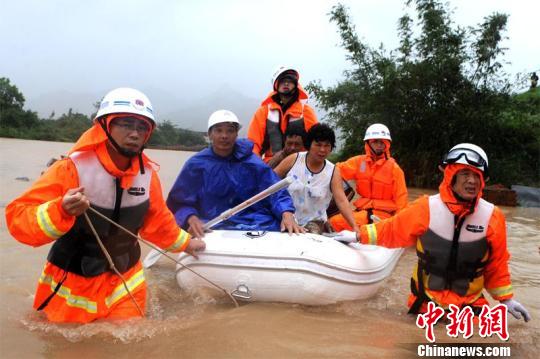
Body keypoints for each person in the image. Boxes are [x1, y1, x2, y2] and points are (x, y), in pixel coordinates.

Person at [5, 88, 205, 323]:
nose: (134, 133)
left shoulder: (147, 175)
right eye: (126, 124)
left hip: (126, 280)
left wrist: (187, 243)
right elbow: (18, 218)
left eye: (142, 127)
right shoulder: (70, 169)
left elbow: (158, 222)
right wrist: (61, 210)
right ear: (104, 125)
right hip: (73, 282)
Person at [339, 144, 531, 321]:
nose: (471, 181)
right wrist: (357, 235)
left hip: (471, 309)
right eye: (464, 174)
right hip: (425, 305)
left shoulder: (493, 217)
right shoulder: (425, 207)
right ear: (450, 175)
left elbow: (496, 266)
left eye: (476, 175)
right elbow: (391, 230)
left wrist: (506, 300)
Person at [166, 110, 304, 238]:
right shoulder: (196, 164)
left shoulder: (251, 162)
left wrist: (286, 213)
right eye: (218, 130)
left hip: (256, 222)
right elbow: (179, 202)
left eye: (230, 131)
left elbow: (275, 190)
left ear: (237, 134)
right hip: (212, 224)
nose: (224, 136)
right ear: (209, 134)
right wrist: (191, 217)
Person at [274, 123, 358, 234]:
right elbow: (270, 182)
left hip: (314, 226)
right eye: (318, 145)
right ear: (309, 145)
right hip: (286, 219)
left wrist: (355, 227)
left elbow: (341, 200)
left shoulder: (333, 171)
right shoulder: (294, 160)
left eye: (327, 145)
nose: (322, 150)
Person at [329, 123, 408, 231]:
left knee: (335, 222)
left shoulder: (395, 169)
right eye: (375, 142)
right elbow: (335, 171)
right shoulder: (358, 162)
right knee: (334, 221)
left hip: (383, 215)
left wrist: (399, 225)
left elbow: (401, 199)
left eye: (382, 142)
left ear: (387, 144)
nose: (379, 145)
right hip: (362, 211)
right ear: (368, 143)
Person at [248, 66, 318, 164]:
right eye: (282, 80)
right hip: (270, 165)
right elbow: (253, 144)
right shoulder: (263, 112)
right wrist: (258, 167)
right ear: (276, 85)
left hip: (300, 165)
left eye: (290, 80)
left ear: (296, 85)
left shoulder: (306, 111)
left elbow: (316, 142)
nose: (286, 83)